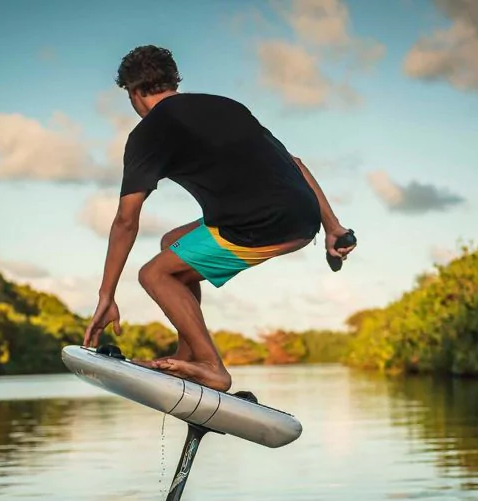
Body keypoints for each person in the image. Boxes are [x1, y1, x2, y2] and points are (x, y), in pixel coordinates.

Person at [83, 45, 356, 392]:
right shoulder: (225, 105)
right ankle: (190, 354)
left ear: (134, 93)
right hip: (303, 216)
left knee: (153, 275)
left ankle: (212, 367)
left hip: (261, 225)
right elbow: (296, 164)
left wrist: (106, 294)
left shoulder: (149, 132)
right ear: (172, 80)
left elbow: (125, 220)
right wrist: (333, 227)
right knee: (172, 244)